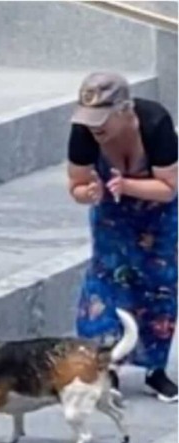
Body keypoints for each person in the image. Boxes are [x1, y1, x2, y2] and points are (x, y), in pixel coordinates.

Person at [67, 71, 178, 402]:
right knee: (105, 281)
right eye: (89, 119)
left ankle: (154, 369)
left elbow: (170, 188)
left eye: (101, 118)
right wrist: (87, 192)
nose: (94, 127)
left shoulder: (155, 123)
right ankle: (105, 364)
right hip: (111, 213)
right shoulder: (84, 133)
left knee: (159, 283)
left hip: (156, 213)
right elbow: (75, 184)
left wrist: (127, 186)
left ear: (124, 110)